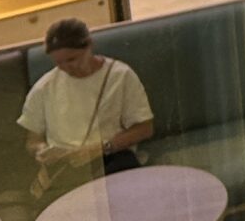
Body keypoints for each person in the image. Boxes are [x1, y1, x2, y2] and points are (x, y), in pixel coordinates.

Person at [17, 21, 151, 200]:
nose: (67, 67)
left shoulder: (120, 76)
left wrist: (99, 149)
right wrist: (42, 151)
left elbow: (145, 128)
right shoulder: (44, 87)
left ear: (89, 45)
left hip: (110, 157)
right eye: (59, 62)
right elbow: (33, 140)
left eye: (72, 59)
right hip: (65, 166)